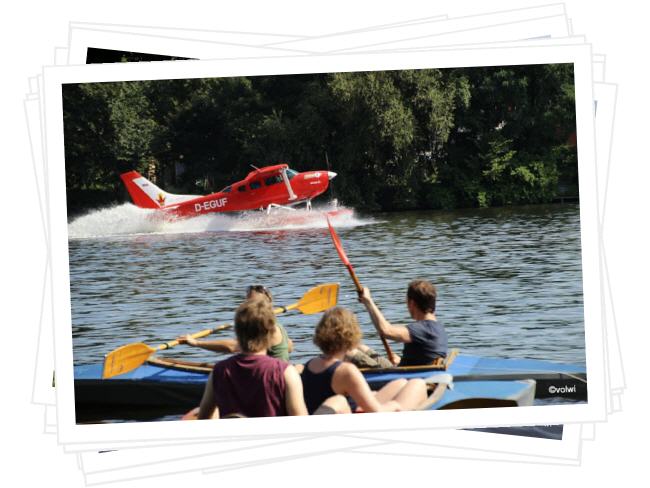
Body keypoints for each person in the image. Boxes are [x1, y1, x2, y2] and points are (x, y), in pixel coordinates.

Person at [298, 307, 427, 414]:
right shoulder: (346, 371)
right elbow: (377, 411)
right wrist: (394, 405)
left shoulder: (310, 364)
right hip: (355, 420)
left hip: (341, 411)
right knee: (418, 384)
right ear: (351, 336)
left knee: (400, 383)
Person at [197, 297, 308, 419]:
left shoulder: (219, 371)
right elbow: (301, 421)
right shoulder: (286, 372)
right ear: (271, 332)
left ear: (237, 331)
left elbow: (203, 418)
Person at [178, 285, 294, 361]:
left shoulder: (267, 327)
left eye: (250, 303)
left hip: (271, 378)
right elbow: (289, 346)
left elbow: (233, 347)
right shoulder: (277, 325)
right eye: (246, 301)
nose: (245, 305)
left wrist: (196, 343)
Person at [349, 279, 448, 367]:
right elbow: (423, 357)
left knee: (348, 351)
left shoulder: (423, 329)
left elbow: (385, 330)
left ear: (412, 303)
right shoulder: (438, 327)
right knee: (358, 347)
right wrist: (401, 361)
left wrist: (369, 301)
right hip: (404, 369)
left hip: (401, 376)